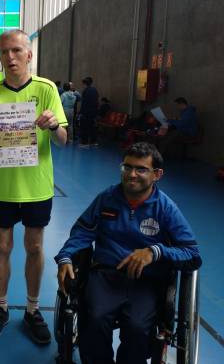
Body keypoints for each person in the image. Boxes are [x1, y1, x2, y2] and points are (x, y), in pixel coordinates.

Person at [55, 142, 202, 364]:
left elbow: (192, 254)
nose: (132, 174)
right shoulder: (107, 198)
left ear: (157, 174)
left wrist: (155, 252)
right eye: (127, 167)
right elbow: (82, 231)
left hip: (146, 281)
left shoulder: (166, 208)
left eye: (141, 169)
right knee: (94, 318)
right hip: (105, 275)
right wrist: (66, 256)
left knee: (137, 327)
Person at [0, 29, 67, 344]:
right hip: (2, 186)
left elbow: (63, 140)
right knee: (2, 247)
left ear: (29, 54)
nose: (10, 57)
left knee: (35, 247)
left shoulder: (46, 88)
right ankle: (0, 307)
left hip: (36, 187)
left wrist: (53, 125)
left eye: (16, 50)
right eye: (4, 52)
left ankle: (32, 309)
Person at [79, 76, 99, 148]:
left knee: (84, 127)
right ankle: (94, 141)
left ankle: (84, 142)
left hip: (86, 113)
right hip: (93, 112)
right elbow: (97, 102)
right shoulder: (95, 90)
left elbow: (84, 103)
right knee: (93, 127)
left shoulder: (85, 91)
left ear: (85, 83)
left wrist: (81, 112)